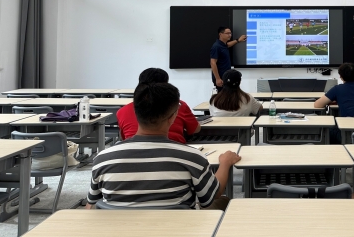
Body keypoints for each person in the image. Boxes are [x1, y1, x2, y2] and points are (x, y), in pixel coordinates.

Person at [86, 82, 241, 210]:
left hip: (119, 231)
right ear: (173, 117)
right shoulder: (192, 157)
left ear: (135, 112)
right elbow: (211, 196)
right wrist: (225, 163)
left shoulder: (102, 159)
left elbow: (91, 205)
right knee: (224, 202)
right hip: (178, 231)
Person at [117, 67, 200, 143]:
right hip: (175, 150)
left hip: (132, 151)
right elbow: (195, 129)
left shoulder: (122, 111)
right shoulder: (178, 105)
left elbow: (123, 137)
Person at [210, 26, 246, 91]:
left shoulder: (223, 45)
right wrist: (217, 79)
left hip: (226, 77)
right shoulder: (216, 47)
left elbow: (228, 45)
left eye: (230, 33)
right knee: (223, 96)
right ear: (220, 34)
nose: (230, 35)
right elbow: (213, 63)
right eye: (227, 33)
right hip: (221, 78)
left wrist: (238, 40)